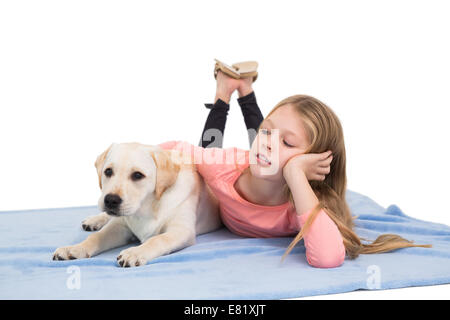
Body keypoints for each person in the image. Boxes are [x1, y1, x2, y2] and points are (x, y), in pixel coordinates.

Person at [159, 68, 431, 268]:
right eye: (266, 133)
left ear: (313, 161)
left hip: (282, 175)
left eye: (289, 143)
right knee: (210, 149)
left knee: (268, 144)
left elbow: (327, 258)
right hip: (230, 165)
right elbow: (170, 149)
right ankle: (228, 91)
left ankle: (244, 89)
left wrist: (294, 174)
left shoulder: (305, 200)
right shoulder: (223, 168)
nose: (268, 144)